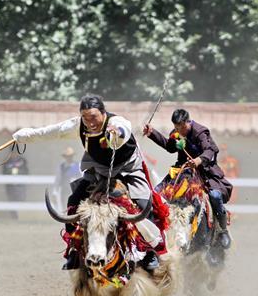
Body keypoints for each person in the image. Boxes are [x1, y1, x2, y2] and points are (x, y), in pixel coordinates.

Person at [12, 94, 163, 271]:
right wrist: (26, 135)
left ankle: (150, 252)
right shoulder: (80, 125)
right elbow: (54, 131)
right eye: (85, 117)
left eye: (94, 117)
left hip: (128, 171)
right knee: (73, 202)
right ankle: (75, 250)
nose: (90, 122)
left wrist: (116, 134)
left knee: (144, 204)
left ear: (103, 112)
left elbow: (123, 130)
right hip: (97, 172)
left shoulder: (118, 123)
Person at [143, 108, 234, 250]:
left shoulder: (201, 132)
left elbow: (210, 151)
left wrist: (198, 160)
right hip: (182, 172)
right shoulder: (177, 134)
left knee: (215, 196)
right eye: (177, 128)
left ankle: (222, 231)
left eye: (183, 127)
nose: (180, 131)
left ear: (188, 122)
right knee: (156, 194)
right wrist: (152, 133)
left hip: (205, 173)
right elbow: (170, 146)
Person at [1, 154, 28, 221]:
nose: (14, 154)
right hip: (10, 187)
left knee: (20, 200)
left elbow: (26, 172)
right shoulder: (7, 161)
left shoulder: (22, 161)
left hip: (20, 187)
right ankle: (14, 217)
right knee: (11, 201)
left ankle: (20, 216)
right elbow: (4, 173)